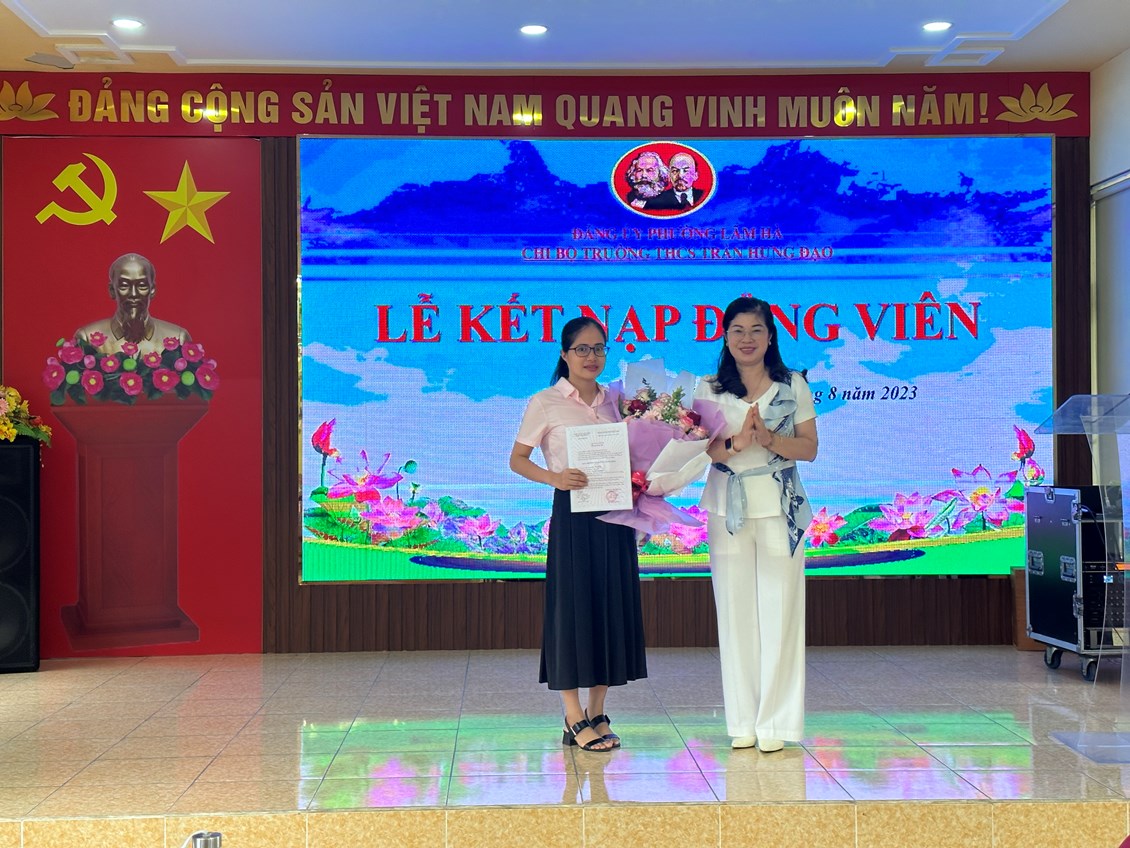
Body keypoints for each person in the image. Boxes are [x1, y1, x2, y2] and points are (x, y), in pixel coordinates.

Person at [509, 316, 647, 752]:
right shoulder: (546, 402)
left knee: (610, 607)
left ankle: (598, 711)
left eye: (599, 348)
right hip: (573, 514)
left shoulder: (618, 401)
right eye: (582, 349)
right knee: (572, 611)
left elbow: (639, 452)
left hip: (616, 513)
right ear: (565, 354)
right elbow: (517, 459)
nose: (592, 357)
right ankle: (573, 716)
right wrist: (555, 477)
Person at [693, 296, 818, 753]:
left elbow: (809, 448)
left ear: (770, 337)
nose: (747, 339)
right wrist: (736, 443)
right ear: (725, 337)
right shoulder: (708, 388)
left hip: (781, 507)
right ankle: (743, 721)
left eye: (756, 330)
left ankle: (776, 723)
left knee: (781, 612)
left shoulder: (792, 384)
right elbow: (698, 450)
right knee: (735, 613)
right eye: (738, 330)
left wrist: (768, 439)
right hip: (726, 505)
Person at [74, 253, 191, 355]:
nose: (134, 294)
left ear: (152, 290)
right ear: (112, 290)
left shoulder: (178, 339)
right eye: (124, 285)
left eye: (142, 285)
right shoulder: (87, 338)